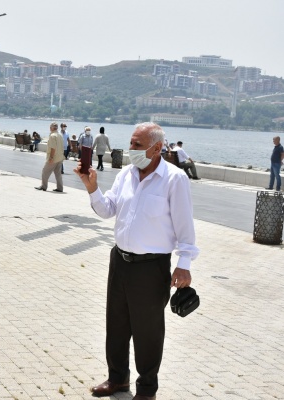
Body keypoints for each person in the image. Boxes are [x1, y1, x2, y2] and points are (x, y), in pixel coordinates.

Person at [74, 122, 198, 400]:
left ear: (156, 149)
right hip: (119, 261)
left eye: (137, 145)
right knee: (116, 324)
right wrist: (92, 188)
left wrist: (184, 263)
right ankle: (118, 379)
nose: (131, 150)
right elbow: (108, 210)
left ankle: (147, 389)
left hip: (151, 267)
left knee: (148, 331)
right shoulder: (126, 174)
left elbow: (185, 228)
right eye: (131, 143)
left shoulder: (174, 179)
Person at [35, 122, 64, 192]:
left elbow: (53, 148)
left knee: (45, 171)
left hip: (54, 158)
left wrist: (51, 158)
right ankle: (60, 188)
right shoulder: (60, 135)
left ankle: (43, 186)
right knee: (58, 174)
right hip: (60, 157)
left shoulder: (52, 136)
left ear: (51, 128)